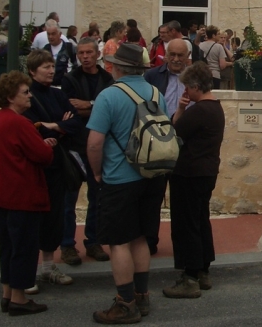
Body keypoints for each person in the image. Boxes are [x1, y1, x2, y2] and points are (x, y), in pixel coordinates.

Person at [87, 43, 168, 323]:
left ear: (118, 67)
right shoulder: (156, 92)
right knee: (140, 237)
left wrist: (97, 173)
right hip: (152, 175)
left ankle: (125, 303)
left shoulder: (109, 96)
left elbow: (95, 144)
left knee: (118, 242)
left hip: (120, 178)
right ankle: (143, 296)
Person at [0, 71, 55, 317]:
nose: (30, 96)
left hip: (2, 194)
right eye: (25, 92)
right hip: (22, 195)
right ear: (11, 96)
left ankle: (7, 293)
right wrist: (45, 145)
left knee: (7, 246)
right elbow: (43, 156)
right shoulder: (19, 123)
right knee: (24, 247)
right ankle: (19, 299)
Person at [23, 50, 84, 293]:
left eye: (51, 66)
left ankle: (48, 268)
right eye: (45, 67)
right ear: (32, 71)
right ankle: (27, 271)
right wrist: (60, 127)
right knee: (30, 220)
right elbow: (32, 129)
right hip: (35, 168)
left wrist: (54, 126)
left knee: (54, 216)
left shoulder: (59, 95)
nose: (51, 70)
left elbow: (76, 122)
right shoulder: (27, 96)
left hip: (58, 166)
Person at [163, 62, 225, 298]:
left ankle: (189, 277)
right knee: (200, 221)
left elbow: (173, 132)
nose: (185, 92)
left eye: (187, 87)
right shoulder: (215, 108)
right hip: (206, 172)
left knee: (186, 225)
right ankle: (202, 271)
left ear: (195, 86)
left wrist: (179, 111)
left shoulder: (199, 111)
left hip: (188, 173)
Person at [59, 37, 114, 266]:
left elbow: (108, 109)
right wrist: (94, 107)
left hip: (98, 147)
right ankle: (67, 245)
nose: (85, 57)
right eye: (81, 53)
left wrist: (89, 105)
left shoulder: (106, 78)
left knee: (98, 198)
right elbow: (70, 109)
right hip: (74, 146)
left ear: (96, 54)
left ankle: (93, 241)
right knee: (68, 201)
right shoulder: (70, 79)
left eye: (89, 53)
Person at [144, 38, 190, 254]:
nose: (176, 59)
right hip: (157, 141)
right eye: (172, 54)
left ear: (187, 57)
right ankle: (149, 242)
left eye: (180, 55)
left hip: (184, 143)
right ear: (165, 55)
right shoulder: (152, 76)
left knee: (181, 198)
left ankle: (181, 244)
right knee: (153, 195)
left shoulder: (194, 77)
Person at [42, 20, 78, 86]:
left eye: (53, 34)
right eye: (48, 34)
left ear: (60, 34)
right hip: (49, 86)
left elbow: (75, 66)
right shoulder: (45, 49)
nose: (50, 37)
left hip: (65, 86)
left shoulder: (69, 48)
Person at [199, 25, 232, 89]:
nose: (219, 36)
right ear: (213, 35)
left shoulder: (200, 45)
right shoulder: (218, 47)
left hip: (203, 75)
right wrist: (230, 63)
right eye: (218, 34)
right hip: (215, 75)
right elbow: (222, 65)